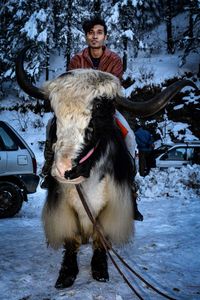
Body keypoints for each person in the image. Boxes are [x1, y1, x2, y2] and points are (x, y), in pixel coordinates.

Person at [41, 17, 143, 221]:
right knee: (52, 125)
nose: (94, 36)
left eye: (99, 32)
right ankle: (48, 167)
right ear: (86, 36)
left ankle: (129, 182)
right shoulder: (76, 59)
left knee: (129, 136)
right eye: (91, 33)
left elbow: (112, 88)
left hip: (104, 110)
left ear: (105, 36)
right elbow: (69, 85)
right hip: (78, 111)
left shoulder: (114, 59)